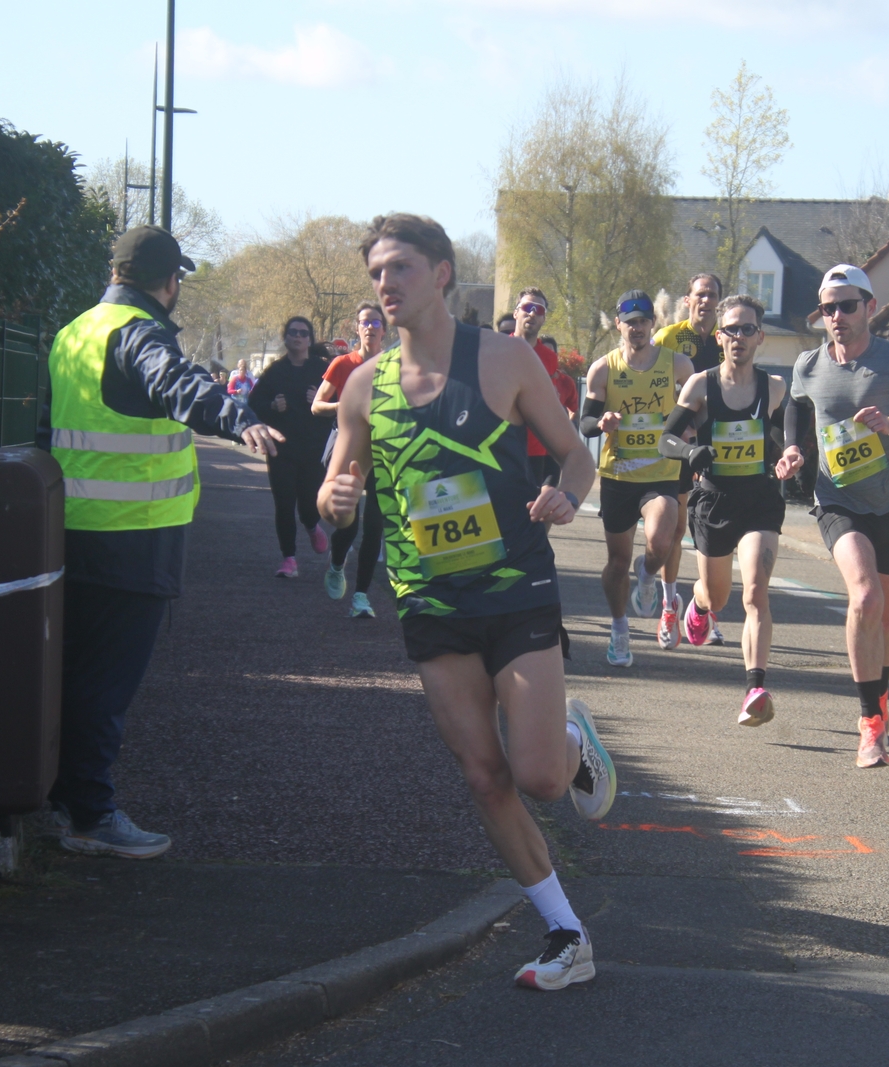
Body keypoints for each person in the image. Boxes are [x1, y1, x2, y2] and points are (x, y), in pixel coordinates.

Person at [319, 213, 614, 991]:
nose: (386, 284)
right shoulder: (363, 386)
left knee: (540, 777)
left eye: (402, 268)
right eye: (377, 272)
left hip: (515, 585)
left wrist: (566, 495)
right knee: (485, 775)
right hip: (430, 598)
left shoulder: (506, 358)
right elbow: (338, 487)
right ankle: (566, 931)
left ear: (442, 273)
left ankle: (572, 741)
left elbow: (576, 456)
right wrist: (335, 500)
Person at [36, 225, 284, 857]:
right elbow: (175, 382)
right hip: (133, 539)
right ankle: (91, 814)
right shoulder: (139, 332)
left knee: (72, 676)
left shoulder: (74, 332)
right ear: (170, 281)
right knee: (106, 687)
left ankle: (60, 802)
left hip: (70, 531)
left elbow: (46, 430)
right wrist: (238, 417)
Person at [778, 265, 889, 768]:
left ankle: (881, 692)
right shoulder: (809, 365)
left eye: (847, 305)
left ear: (870, 307)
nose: (837, 316)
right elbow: (795, 408)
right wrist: (792, 448)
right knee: (865, 597)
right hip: (837, 500)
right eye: (828, 308)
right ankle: (870, 722)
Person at [657, 294, 788, 725]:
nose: (739, 337)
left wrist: (789, 453)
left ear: (760, 337)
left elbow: (783, 433)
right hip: (713, 501)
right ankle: (697, 604)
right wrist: (689, 453)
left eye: (748, 329)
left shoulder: (774, 388)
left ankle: (755, 689)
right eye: (731, 329)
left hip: (759, 501)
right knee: (718, 597)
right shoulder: (701, 386)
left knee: (755, 592)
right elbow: (665, 440)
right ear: (720, 336)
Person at [580, 290, 695, 666]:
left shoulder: (678, 365)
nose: (638, 328)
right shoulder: (604, 369)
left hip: (661, 472)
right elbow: (585, 422)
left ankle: (647, 577)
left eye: (643, 321)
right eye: (630, 323)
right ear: (619, 325)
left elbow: (699, 406)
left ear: (653, 323)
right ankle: (619, 630)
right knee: (617, 562)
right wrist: (602, 422)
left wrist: (690, 429)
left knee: (661, 541)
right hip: (618, 475)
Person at [651, 272, 726, 645]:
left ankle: (706, 609)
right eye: (700, 294)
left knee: (715, 532)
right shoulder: (669, 338)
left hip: (717, 448)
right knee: (677, 529)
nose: (706, 300)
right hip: (681, 445)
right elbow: (647, 380)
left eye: (712, 295)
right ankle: (669, 607)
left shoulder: (727, 338)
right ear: (688, 300)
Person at [312, 302, 387, 617]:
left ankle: (361, 597)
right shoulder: (343, 364)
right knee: (349, 522)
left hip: (382, 449)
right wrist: (346, 406)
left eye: (376, 322)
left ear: (384, 330)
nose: (370, 327)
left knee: (375, 526)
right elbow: (317, 405)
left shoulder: (393, 365)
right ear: (356, 328)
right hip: (348, 447)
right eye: (365, 322)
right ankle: (337, 562)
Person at [250, 316, 334, 576]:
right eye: (293, 332)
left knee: (309, 504)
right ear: (285, 338)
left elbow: (342, 404)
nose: (297, 336)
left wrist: (320, 401)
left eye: (303, 333)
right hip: (281, 448)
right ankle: (289, 559)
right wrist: (272, 406)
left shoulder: (323, 370)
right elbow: (253, 405)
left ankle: (312, 525)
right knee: (284, 504)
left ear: (309, 339)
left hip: (314, 448)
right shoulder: (275, 371)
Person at [511, 288, 580, 487]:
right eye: (527, 307)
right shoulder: (498, 349)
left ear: (543, 319)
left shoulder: (549, 357)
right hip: (506, 445)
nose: (532, 313)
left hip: (538, 448)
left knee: (537, 504)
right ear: (516, 313)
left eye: (539, 310)